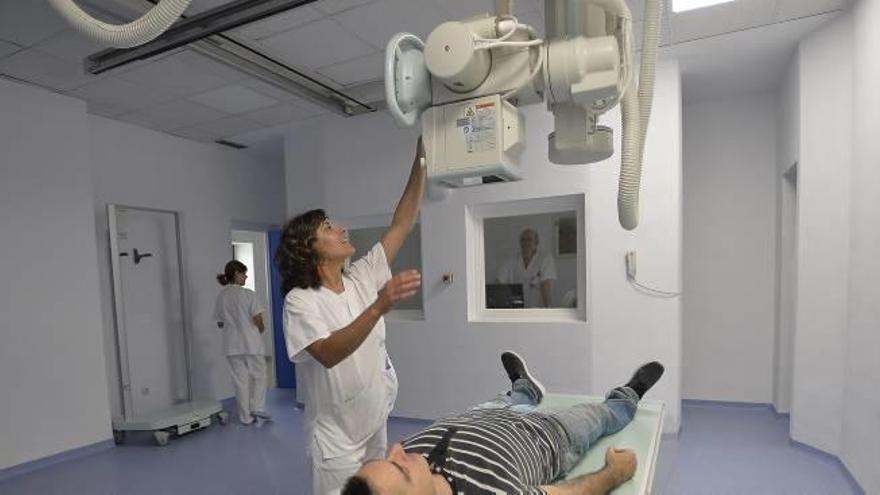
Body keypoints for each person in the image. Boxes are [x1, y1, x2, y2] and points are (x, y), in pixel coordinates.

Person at [276, 137, 426, 494]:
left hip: (374, 422)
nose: (341, 229)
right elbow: (327, 353)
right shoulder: (301, 301)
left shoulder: (360, 276)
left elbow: (402, 222)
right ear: (309, 250)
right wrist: (378, 307)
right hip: (336, 439)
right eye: (328, 228)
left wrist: (423, 159)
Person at [344, 352, 665, 495]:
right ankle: (629, 394)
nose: (399, 449)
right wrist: (613, 474)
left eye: (388, 456)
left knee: (507, 399)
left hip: (476, 416)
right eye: (400, 467)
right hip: (549, 434)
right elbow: (574, 492)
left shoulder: (412, 461)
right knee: (599, 415)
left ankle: (524, 388)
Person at [213, 260, 270, 425]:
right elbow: (258, 319)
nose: (245, 277)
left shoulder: (221, 296)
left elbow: (219, 323)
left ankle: (246, 418)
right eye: (244, 273)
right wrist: (259, 329)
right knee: (259, 375)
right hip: (251, 343)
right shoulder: (248, 294)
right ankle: (257, 407)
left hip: (231, 345)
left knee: (240, 380)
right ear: (236, 273)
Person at [497, 228, 557, 308]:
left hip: (538, 310)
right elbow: (499, 281)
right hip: (516, 310)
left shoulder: (545, 258)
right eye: (523, 240)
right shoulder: (511, 260)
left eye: (529, 239)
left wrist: (549, 311)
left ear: (536, 242)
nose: (526, 242)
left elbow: (546, 286)